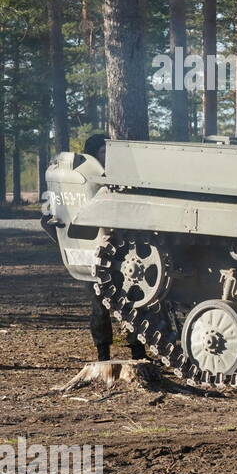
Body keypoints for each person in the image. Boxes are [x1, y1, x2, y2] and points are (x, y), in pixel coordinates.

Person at [80, 133, 146, 363]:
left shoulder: (121, 177)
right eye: (103, 152)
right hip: (97, 253)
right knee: (100, 306)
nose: (108, 157)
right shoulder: (88, 179)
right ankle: (103, 355)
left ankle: (138, 351)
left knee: (133, 300)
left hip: (124, 253)